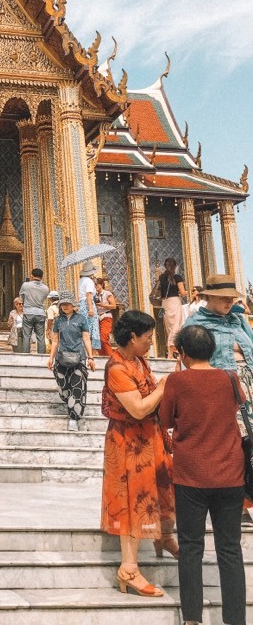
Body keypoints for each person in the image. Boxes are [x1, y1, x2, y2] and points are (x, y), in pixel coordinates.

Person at [159, 324, 247, 625]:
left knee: (191, 547)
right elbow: (240, 405)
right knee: (230, 548)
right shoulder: (230, 377)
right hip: (230, 475)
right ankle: (235, 619)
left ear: (181, 352)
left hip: (191, 476)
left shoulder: (177, 381)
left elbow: (165, 420)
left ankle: (193, 618)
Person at [101, 310, 175, 599]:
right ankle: (128, 568)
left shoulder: (138, 360)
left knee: (157, 490)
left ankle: (163, 537)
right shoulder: (117, 368)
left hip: (148, 438)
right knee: (133, 499)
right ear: (132, 337)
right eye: (146, 338)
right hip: (128, 442)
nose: (150, 343)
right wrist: (164, 386)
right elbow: (138, 408)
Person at [184, 273, 253, 410]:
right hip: (219, 386)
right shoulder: (196, 322)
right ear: (210, 296)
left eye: (231, 298)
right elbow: (188, 360)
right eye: (224, 297)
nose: (229, 302)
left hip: (249, 384)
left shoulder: (237, 319)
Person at [47, 291, 95, 431]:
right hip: (62, 357)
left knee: (77, 387)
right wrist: (51, 357)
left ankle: (74, 418)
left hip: (78, 356)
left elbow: (86, 338)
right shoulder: (58, 321)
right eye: (63, 304)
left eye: (68, 304)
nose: (65, 307)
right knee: (63, 386)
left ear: (73, 305)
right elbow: (55, 340)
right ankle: (69, 399)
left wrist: (90, 357)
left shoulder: (81, 319)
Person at [158, 257, 187, 359]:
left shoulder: (161, 277)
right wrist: (189, 292)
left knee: (169, 328)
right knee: (176, 327)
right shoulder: (177, 277)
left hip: (165, 303)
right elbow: (183, 293)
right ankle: (172, 353)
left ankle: (171, 353)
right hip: (174, 301)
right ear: (175, 266)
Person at [19, 268, 49, 353]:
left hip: (28, 312)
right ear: (42, 277)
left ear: (31, 275)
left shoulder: (26, 285)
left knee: (26, 336)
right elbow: (43, 298)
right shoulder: (46, 288)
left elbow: (21, 297)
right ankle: (41, 355)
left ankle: (25, 355)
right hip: (40, 313)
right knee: (41, 336)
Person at [77, 261, 100, 353]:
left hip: (81, 304)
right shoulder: (89, 281)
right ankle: (93, 351)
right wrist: (90, 308)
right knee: (92, 326)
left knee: (84, 327)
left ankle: (86, 350)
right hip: (87, 304)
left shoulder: (81, 281)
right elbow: (88, 295)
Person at [95, 276, 116, 356]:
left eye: (97, 284)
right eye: (94, 285)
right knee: (98, 339)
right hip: (97, 318)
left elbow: (113, 306)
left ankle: (110, 356)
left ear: (101, 285)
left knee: (104, 338)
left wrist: (103, 305)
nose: (95, 286)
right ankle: (102, 356)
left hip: (106, 316)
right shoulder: (94, 295)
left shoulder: (107, 294)